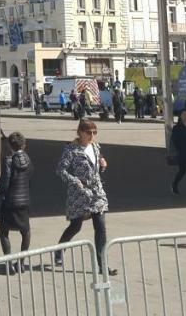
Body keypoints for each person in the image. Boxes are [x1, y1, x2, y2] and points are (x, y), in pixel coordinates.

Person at [55, 118, 115, 275]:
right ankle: (59, 250)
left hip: (96, 192)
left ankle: (102, 265)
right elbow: (61, 170)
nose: (92, 135)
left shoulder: (95, 146)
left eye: (95, 132)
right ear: (80, 132)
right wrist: (75, 181)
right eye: (89, 132)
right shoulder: (71, 150)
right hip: (79, 194)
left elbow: (97, 159)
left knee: (100, 227)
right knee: (76, 226)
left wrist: (102, 162)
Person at [0, 131, 33, 266]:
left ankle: (9, 263)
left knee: (3, 230)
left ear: (10, 146)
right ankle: (21, 263)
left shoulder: (9, 161)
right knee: (26, 231)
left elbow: (4, 182)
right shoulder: (28, 160)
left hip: (10, 202)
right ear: (24, 145)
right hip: (24, 201)